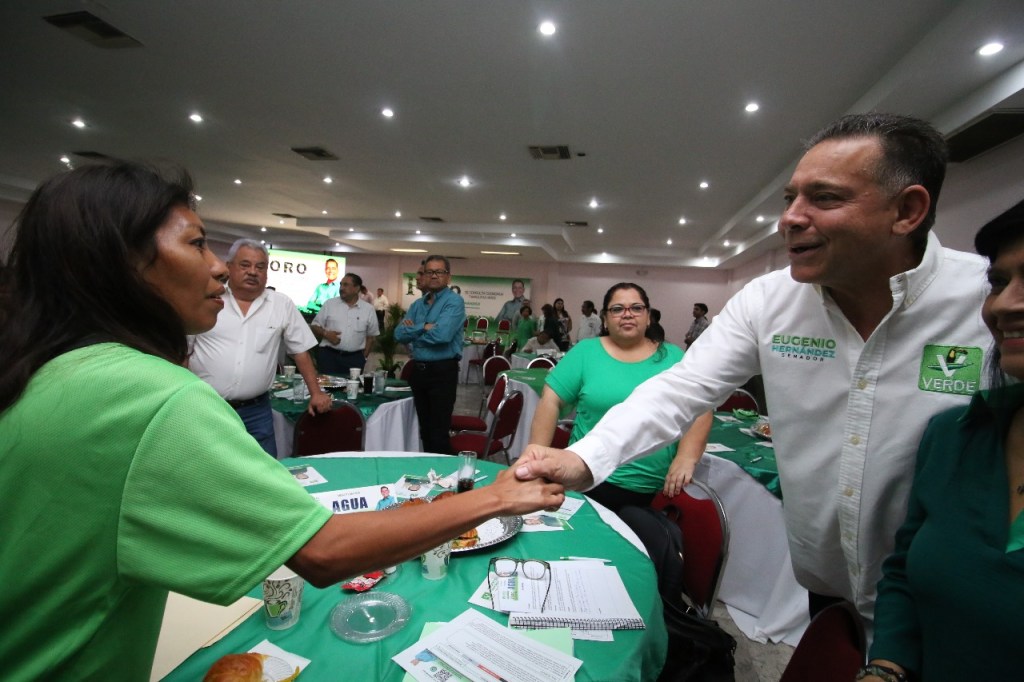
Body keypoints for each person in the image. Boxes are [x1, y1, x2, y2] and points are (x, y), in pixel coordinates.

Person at [0, 162, 565, 680]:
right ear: (122, 262)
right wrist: (497, 497)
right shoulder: (153, 398)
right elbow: (323, 552)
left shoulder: (46, 371)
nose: (220, 266)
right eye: (197, 244)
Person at [515, 112, 991, 627]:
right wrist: (582, 459)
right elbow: (680, 391)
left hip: (956, 593)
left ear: (907, 210)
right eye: (790, 199)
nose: (789, 218)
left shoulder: (989, 301)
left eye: (825, 198)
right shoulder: (768, 301)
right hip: (828, 584)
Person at [863, 200, 1024, 682]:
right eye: (999, 282)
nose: (1005, 304)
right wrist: (886, 667)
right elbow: (903, 572)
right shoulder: (955, 434)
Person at [529, 283, 713, 511]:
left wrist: (686, 457)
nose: (627, 314)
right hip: (587, 480)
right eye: (617, 309)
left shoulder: (673, 357)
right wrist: (536, 465)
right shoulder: (586, 352)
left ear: (648, 317)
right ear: (605, 319)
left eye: (636, 308)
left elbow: (702, 407)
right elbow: (550, 401)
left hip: (653, 490)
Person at [190, 239, 332, 456]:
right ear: (229, 267)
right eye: (245, 265)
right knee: (204, 468)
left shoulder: (281, 304)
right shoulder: (206, 300)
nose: (253, 272)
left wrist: (316, 393)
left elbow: (300, 351)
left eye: (260, 267)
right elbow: (181, 353)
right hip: (205, 407)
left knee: (261, 474)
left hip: (255, 411)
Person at [395, 255, 466, 454]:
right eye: (429, 272)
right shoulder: (417, 305)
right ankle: (427, 474)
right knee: (424, 430)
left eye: (439, 272)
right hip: (418, 373)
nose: (433, 276)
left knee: (438, 432)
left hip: (442, 373)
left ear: (448, 277)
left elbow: (442, 335)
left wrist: (414, 333)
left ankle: (444, 479)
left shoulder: (454, 302)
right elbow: (398, 334)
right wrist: (425, 327)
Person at [311, 272, 379, 376]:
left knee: (352, 389)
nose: (341, 288)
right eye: (341, 284)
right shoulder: (330, 304)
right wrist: (325, 333)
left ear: (357, 288)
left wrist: (363, 358)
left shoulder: (368, 309)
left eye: (346, 285)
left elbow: (371, 337)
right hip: (329, 356)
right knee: (326, 389)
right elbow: (314, 326)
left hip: (354, 360)